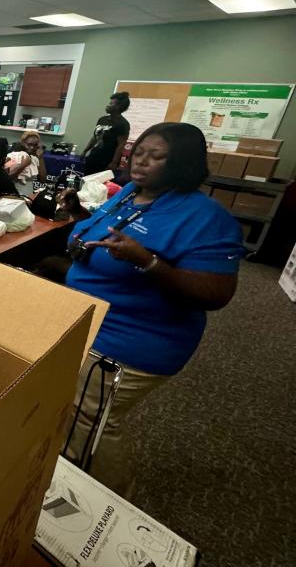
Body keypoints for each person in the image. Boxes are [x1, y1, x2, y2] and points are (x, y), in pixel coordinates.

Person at [64, 122, 242, 497]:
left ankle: (114, 499)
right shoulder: (131, 193)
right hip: (90, 320)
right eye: (138, 152)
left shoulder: (206, 217)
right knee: (75, 409)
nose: (141, 162)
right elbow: (104, 239)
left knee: (94, 418)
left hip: (134, 339)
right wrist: (77, 212)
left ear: (182, 164)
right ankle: (70, 470)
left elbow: (216, 294)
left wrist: (149, 263)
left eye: (155, 156)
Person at [81, 92, 130, 174]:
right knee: (86, 183)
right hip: (93, 157)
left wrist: (114, 163)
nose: (108, 105)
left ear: (118, 107)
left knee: (100, 186)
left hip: (106, 162)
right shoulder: (102, 119)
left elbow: (121, 145)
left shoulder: (123, 124)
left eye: (111, 103)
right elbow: (95, 137)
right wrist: (85, 151)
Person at [6, 130, 48, 196]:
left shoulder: (35, 159)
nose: (32, 147)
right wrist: (24, 164)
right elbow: (6, 177)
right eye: (29, 144)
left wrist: (40, 157)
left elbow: (42, 180)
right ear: (22, 143)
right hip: (13, 193)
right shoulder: (13, 156)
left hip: (28, 194)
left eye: (35, 145)